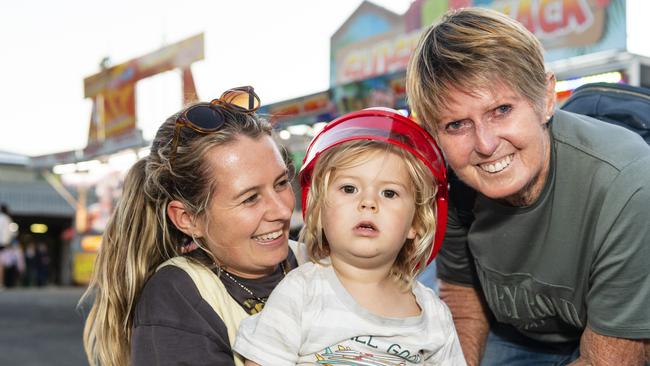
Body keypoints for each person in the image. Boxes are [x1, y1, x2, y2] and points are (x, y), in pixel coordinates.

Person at [406, 7, 650, 366]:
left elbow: (608, 359)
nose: (486, 145)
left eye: (502, 109)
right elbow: (462, 296)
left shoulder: (626, 184)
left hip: (611, 339)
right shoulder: (453, 182)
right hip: (514, 335)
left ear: (546, 98)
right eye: (456, 124)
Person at [81, 86, 301, 366]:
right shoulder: (178, 297)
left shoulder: (322, 260)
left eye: (281, 183)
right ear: (188, 218)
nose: (282, 210)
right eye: (250, 198)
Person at [234, 108, 466, 365]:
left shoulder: (434, 315)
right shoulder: (302, 292)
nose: (368, 202)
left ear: (416, 223)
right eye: (349, 188)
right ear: (320, 212)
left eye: (389, 193)